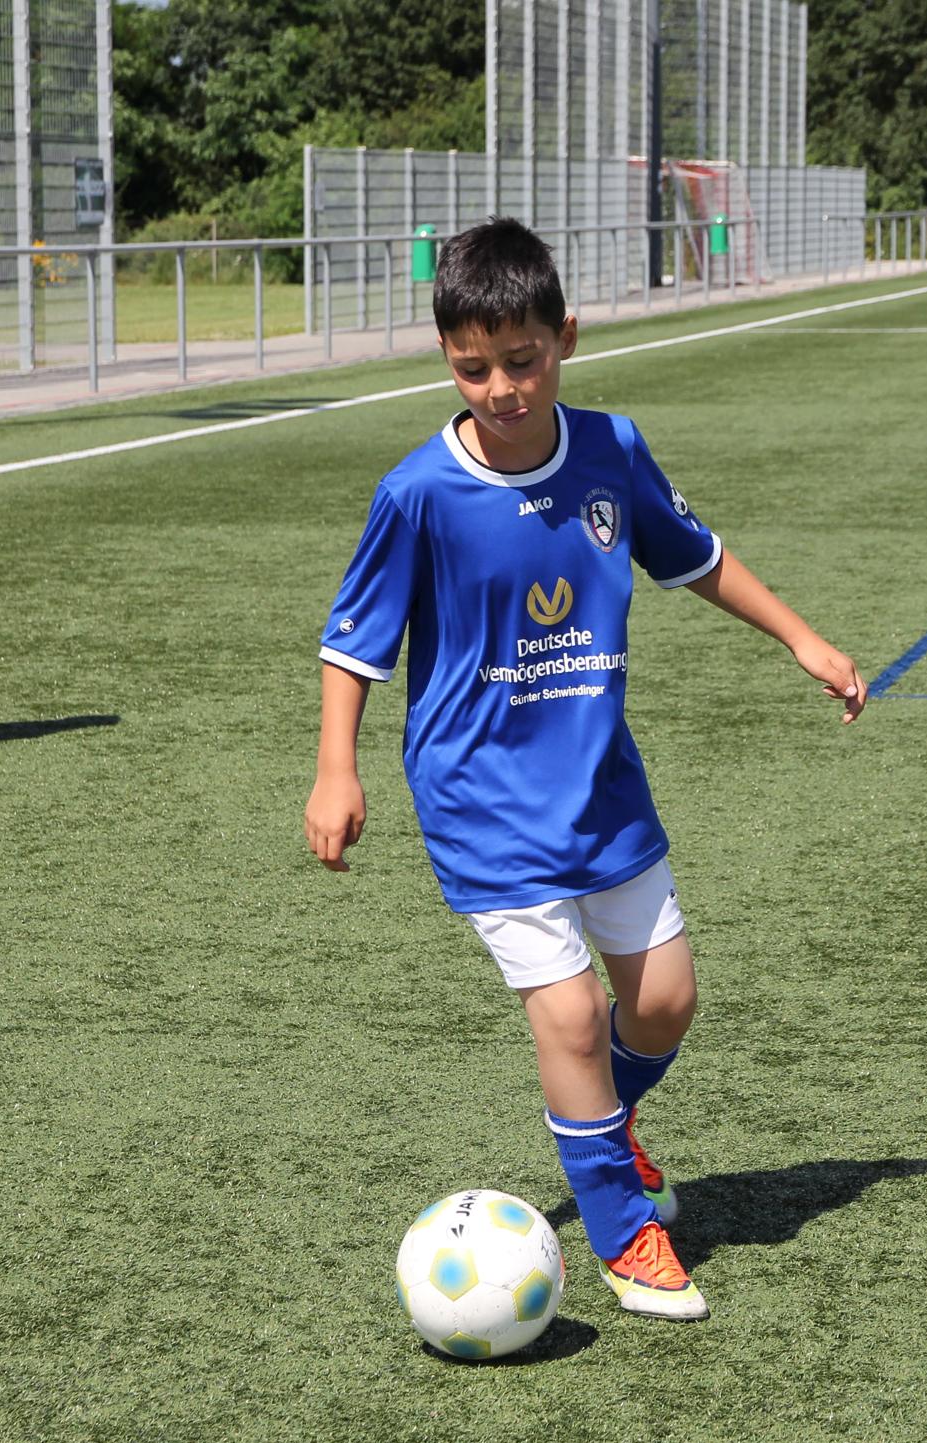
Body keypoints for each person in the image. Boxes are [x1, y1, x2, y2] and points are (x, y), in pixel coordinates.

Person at [305, 218, 866, 1322]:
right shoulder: (419, 491)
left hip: (603, 787)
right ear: (446, 357)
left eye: (522, 361)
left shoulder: (611, 449)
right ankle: (624, 1231)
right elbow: (353, 642)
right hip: (479, 795)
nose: (502, 389)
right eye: (474, 368)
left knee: (664, 1004)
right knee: (568, 1016)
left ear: (566, 337)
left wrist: (802, 638)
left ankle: (606, 1122)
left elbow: (695, 558)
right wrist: (337, 769)